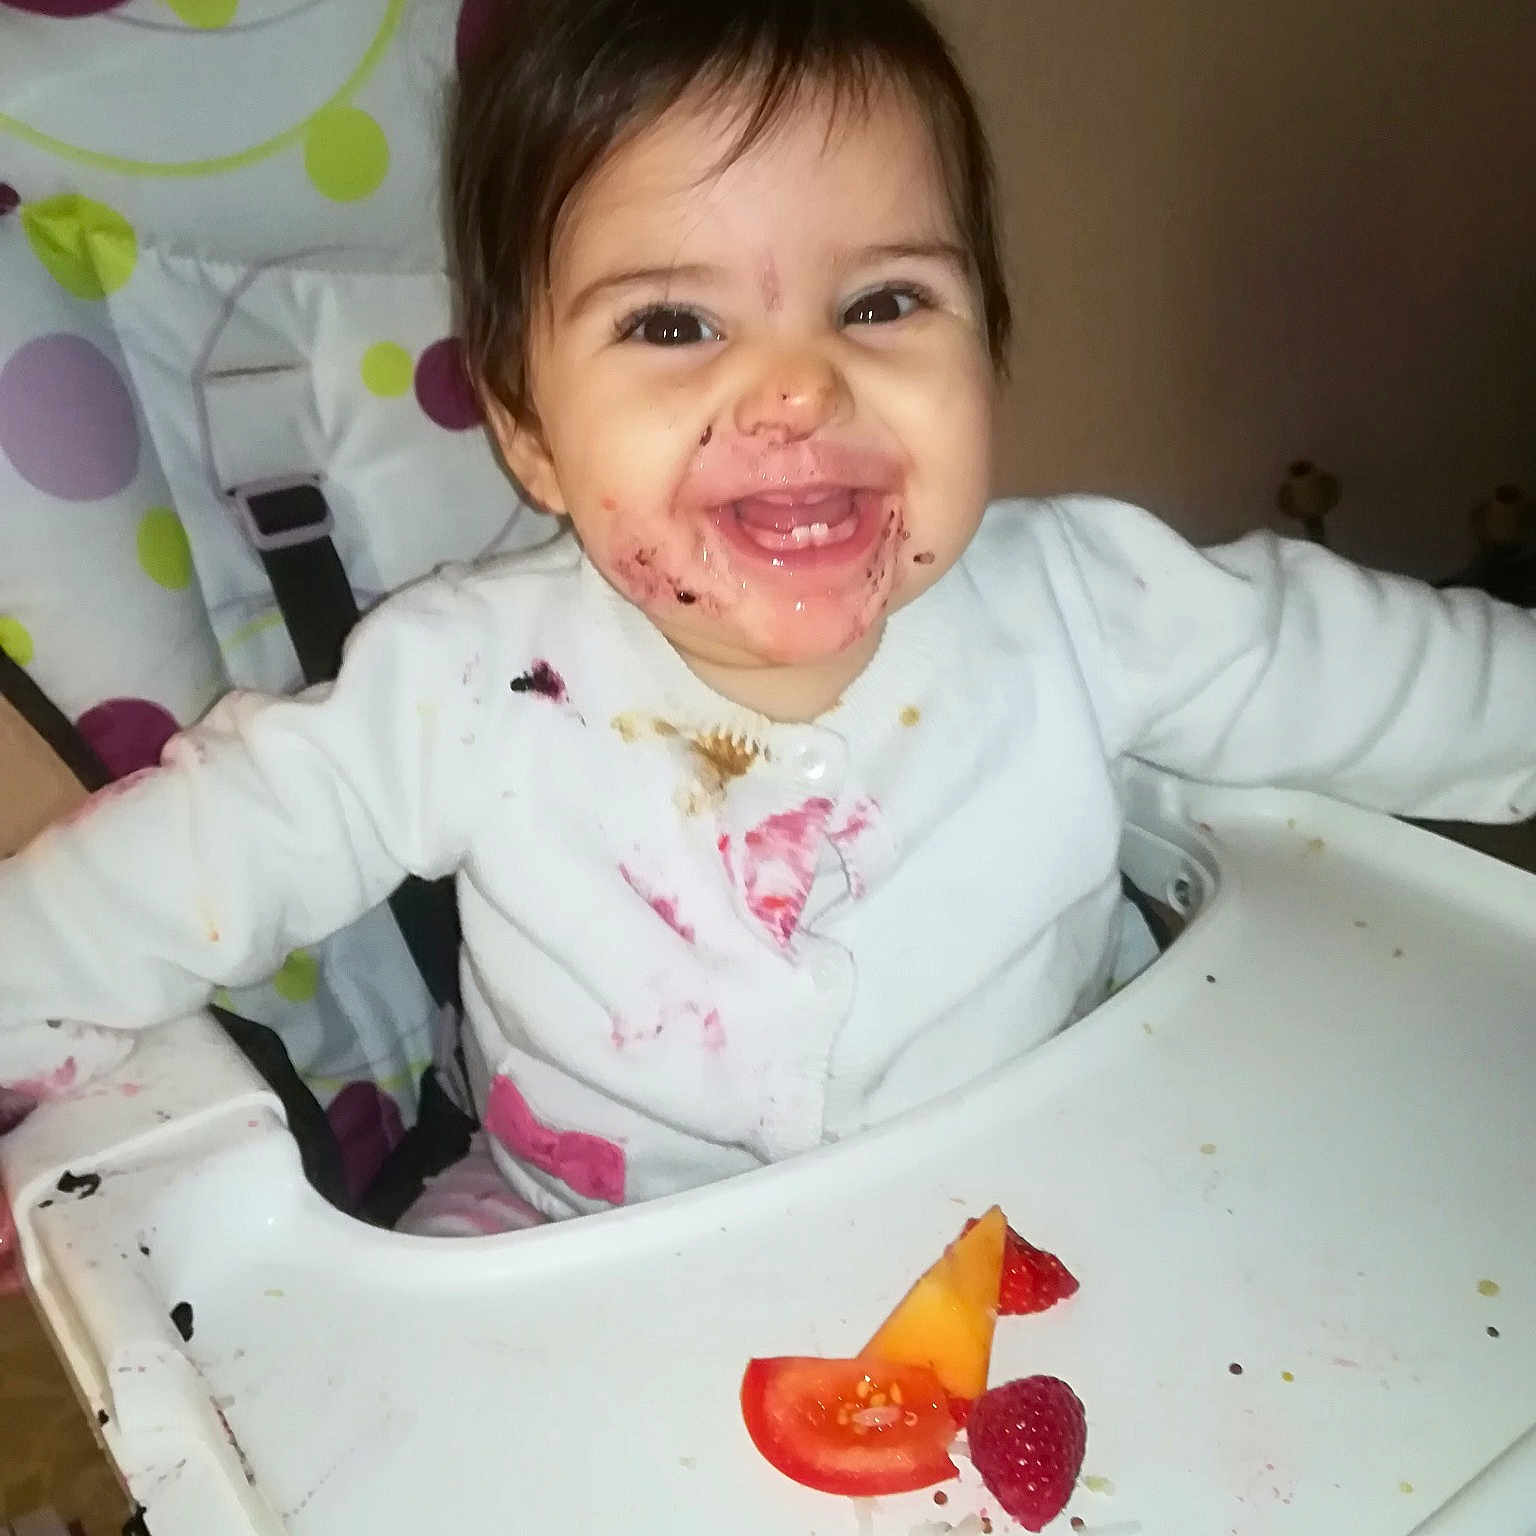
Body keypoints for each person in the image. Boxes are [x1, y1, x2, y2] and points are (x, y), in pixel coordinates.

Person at [2, 0, 1533, 1234]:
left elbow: (1400, 681)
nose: (797, 385)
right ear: (529, 431)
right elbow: (185, 865)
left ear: (988, 349)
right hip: (579, 1244)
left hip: (1046, 1204)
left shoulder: (1092, 605)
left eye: (883, 304)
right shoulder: (469, 683)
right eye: (674, 325)